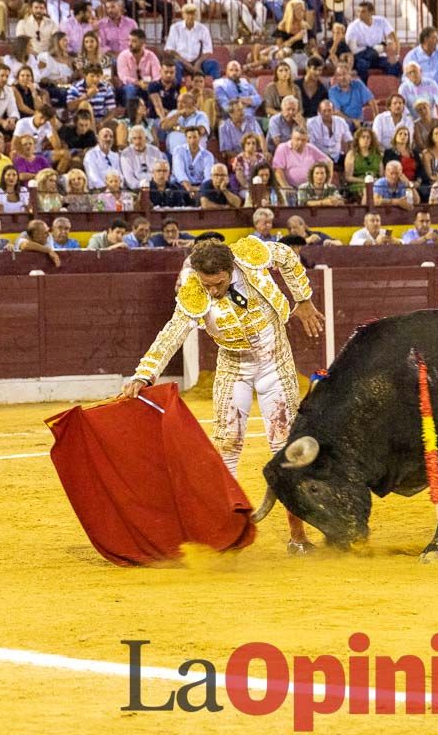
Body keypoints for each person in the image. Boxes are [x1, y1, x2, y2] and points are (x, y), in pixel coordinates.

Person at [123, 236, 323, 550]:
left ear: (231, 269)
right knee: (226, 442)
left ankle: (297, 537)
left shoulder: (250, 254)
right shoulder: (193, 287)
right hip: (233, 363)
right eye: (207, 285)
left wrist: (304, 298)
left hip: (275, 358)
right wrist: (144, 374)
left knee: (284, 444)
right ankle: (224, 531)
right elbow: (172, 332)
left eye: (218, 284)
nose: (213, 291)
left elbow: (285, 254)